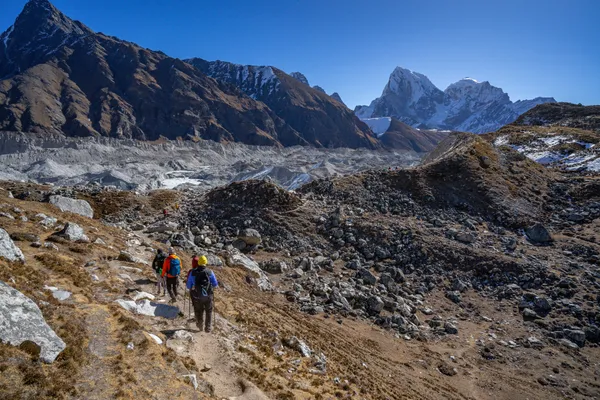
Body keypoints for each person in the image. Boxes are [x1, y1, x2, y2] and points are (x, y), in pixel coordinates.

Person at [186, 255, 218, 333]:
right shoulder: (210, 272)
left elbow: (188, 285)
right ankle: (208, 327)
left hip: (197, 295)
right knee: (209, 311)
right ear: (206, 262)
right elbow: (215, 284)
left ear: (199, 262)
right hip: (208, 295)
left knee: (199, 310)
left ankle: (200, 325)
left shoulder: (193, 272)